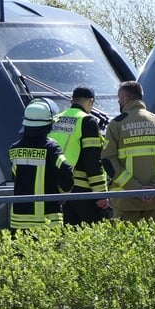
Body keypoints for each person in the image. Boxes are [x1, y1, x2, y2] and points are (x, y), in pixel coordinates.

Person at [101, 80, 155, 223]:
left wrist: (136, 188)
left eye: (119, 99)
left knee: (128, 244)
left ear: (125, 98)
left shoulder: (116, 124)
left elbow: (108, 160)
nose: (119, 103)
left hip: (126, 202)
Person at [8, 98, 74, 231]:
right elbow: (66, 171)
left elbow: (15, 177)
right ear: (48, 125)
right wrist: (63, 194)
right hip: (48, 219)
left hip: (19, 220)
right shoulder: (51, 148)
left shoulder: (14, 149)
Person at [49, 85, 110, 225]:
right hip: (82, 191)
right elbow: (93, 162)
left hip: (58, 189)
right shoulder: (87, 121)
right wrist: (101, 194)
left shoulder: (56, 119)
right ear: (91, 102)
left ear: (71, 101)